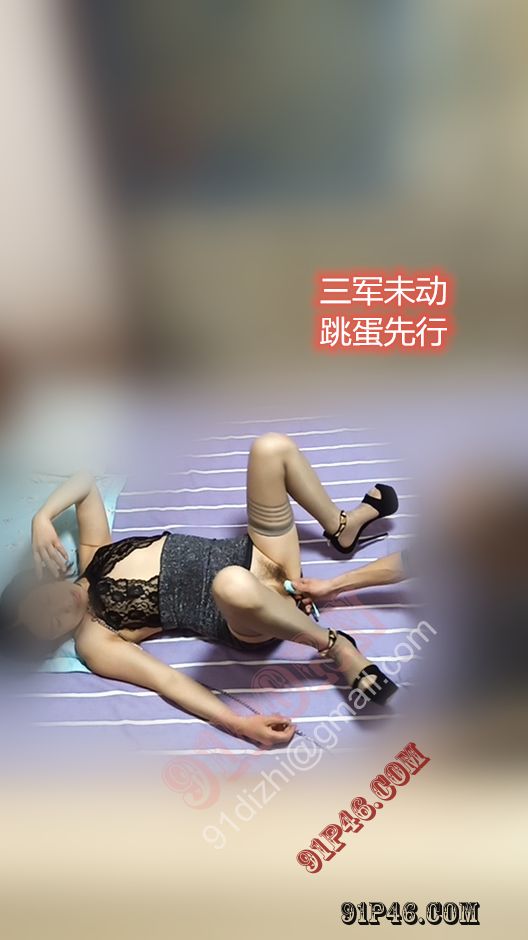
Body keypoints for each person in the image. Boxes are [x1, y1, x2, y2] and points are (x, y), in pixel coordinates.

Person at [0, 433, 402, 748]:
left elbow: (85, 483)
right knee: (230, 582)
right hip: (248, 613)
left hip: (263, 554)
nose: (58, 606)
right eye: (50, 622)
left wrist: (42, 517)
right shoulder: (94, 640)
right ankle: (335, 646)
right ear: (52, 640)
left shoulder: (94, 554)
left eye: (42, 601)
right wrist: (238, 723)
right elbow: (168, 681)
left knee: (270, 448)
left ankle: (341, 528)